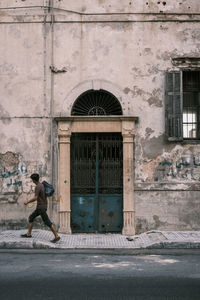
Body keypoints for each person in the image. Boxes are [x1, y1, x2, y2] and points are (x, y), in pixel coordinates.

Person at [21, 173, 60, 243]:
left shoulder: (38, 187)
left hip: (41, 207)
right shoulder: (42, 185)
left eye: (32, 179)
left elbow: (35, 198)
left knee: (47, 222)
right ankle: (28, 234)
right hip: (42, 207)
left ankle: (56, 236)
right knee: (31, 217)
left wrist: (27, 202)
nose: (32, 181)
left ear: (33, 180)